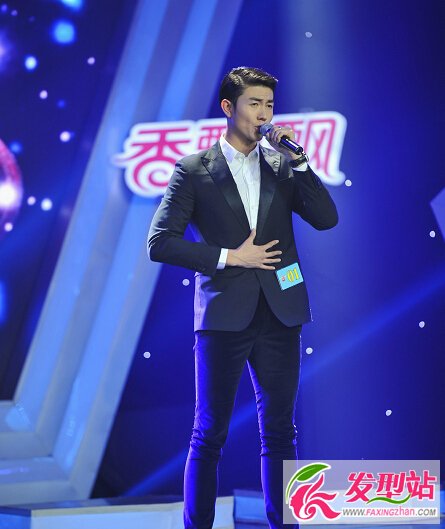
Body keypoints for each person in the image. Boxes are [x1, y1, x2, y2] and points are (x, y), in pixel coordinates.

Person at [148, 66, 338, 529]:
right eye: (255, 104)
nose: (264, 114)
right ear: (228, 108)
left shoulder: (282, 166)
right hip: (223, 314)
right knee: (209, 432)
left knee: (280, 430)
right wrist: (231, 256)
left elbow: (326, 218)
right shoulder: (194, 169)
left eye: (269, 104)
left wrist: (300, 162)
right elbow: (160, 242)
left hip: (280, 312)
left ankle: (284, 523)